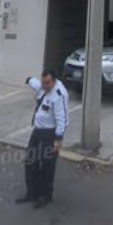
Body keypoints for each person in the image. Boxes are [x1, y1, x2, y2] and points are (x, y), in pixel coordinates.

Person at [16, 68, 69, 209]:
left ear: (54, 81)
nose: (45, 85)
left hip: (49, 134)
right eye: (43, 82)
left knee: (47, 166)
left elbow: (62, 119)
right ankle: (32, 193)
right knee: (30, 162)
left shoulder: (59, 94)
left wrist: (58, 139)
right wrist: (29, 80)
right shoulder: (43, 86)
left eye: (47, 83)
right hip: (37, 131)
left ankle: (45, 196)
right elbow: (36, 84)